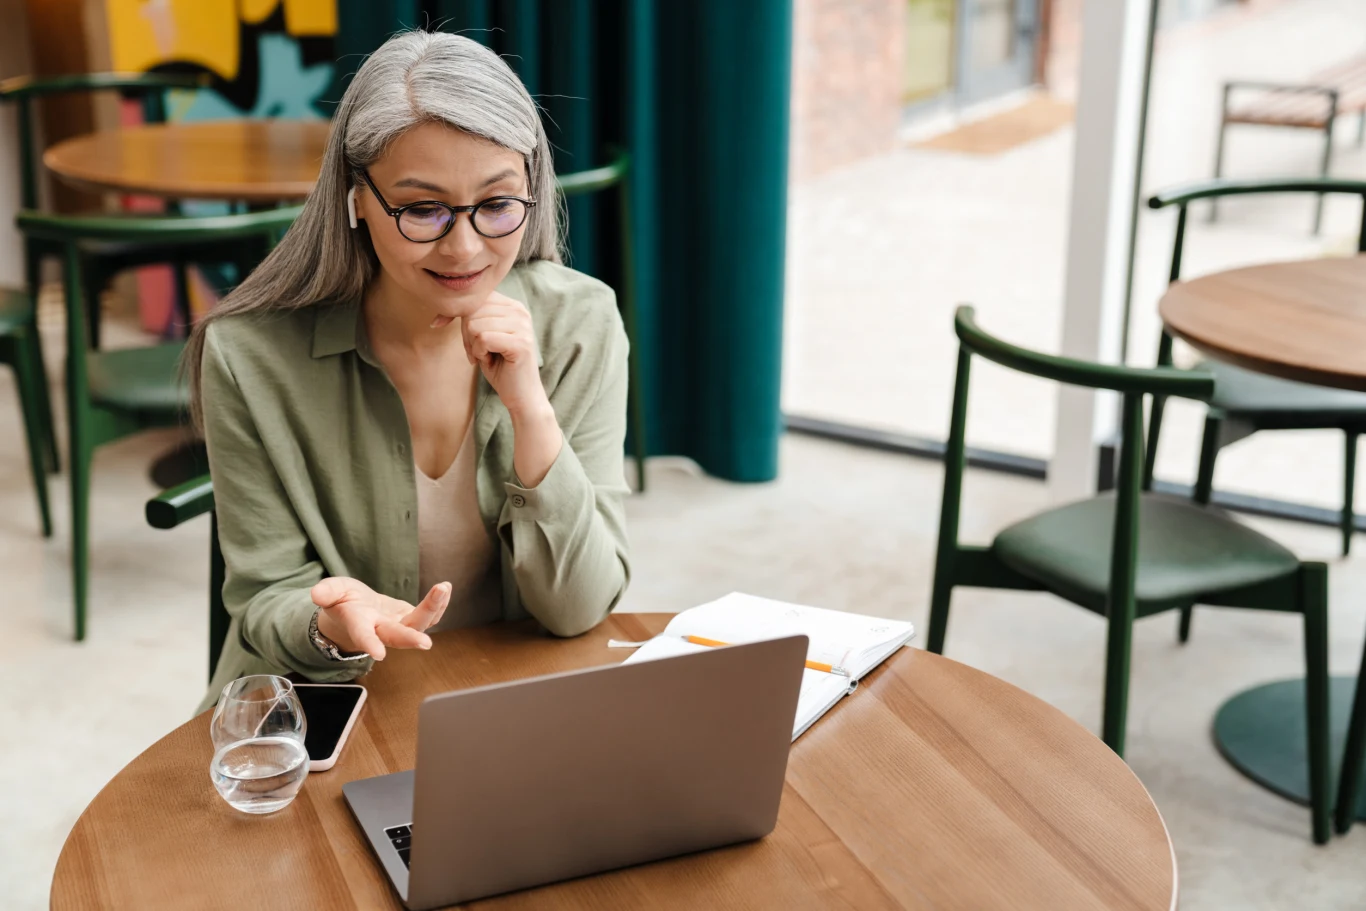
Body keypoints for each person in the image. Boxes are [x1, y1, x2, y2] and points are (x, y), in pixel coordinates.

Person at [186, 30, 631, 710]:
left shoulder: (581, 322)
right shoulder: (249, 353)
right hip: (328, 705)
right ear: (356, 197)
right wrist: (329, 627)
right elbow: (263, 597)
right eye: (423, 209)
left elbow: (580, 609)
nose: (465, 248)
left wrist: (531, 411)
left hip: (509, 706)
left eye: (497, 204)